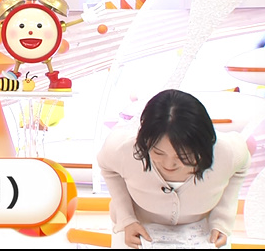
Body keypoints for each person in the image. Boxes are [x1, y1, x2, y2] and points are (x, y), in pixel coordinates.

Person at [97, 89, 250, 249]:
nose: (169, 164)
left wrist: (222, 221)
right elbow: (107, 168)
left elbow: (240, 168)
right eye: (158, 153)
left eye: (183, 157)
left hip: (201, 232)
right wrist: (126, 219)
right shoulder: (124, 149)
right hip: (139, 230)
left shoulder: (228, 152)